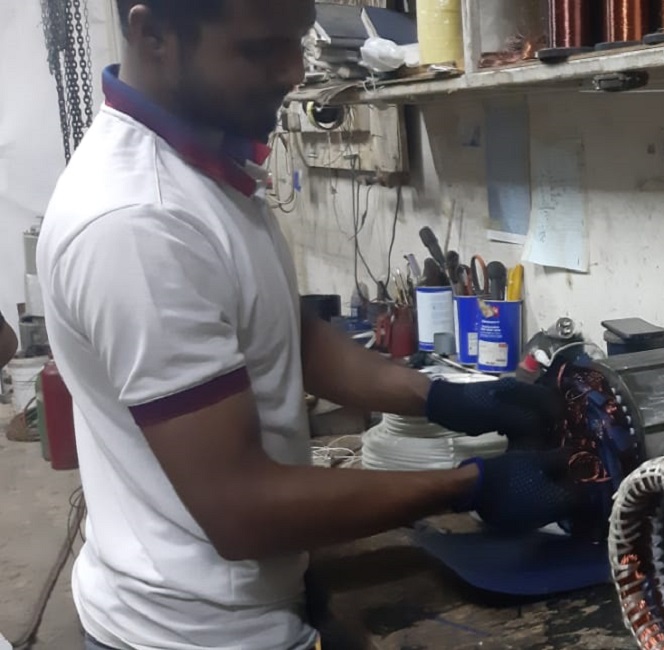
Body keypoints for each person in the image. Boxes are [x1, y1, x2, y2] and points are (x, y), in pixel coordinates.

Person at [37, 2, 577, 649]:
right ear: (152, 35)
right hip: (198, 633)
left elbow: (285, 333)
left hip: (246, 600)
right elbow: (240, 507)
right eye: (260, 49)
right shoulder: (138, 224)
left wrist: (439, 398)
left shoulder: (205, 164)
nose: (293, 72)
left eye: (297, 42)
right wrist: (468, 485)